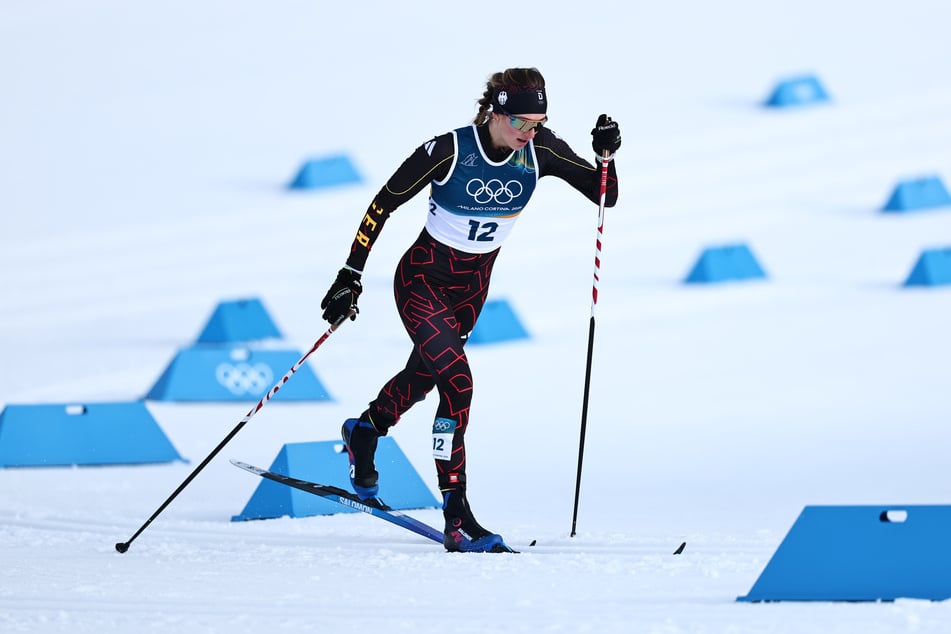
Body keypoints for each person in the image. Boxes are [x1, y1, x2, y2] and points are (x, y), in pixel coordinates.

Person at [320, 67, 621, 553]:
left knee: (424, 378)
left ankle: (366, 431)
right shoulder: (450, 150)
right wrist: (350, 274)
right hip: (420, 282)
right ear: (495, 113)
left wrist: (604, 155)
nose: (530, 133)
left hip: (470, 292)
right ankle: (456, 514)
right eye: (522, 123)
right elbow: (384, 203)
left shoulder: (540, 151)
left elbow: (605, 193)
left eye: (539, 123)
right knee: (458, 384)